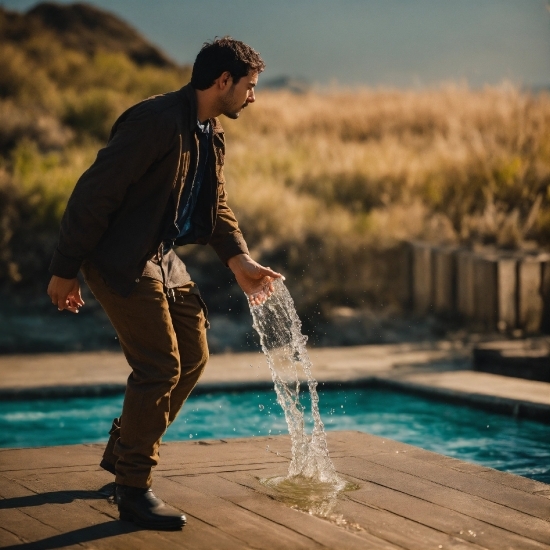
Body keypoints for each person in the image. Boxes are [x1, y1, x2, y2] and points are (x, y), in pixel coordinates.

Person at [46, 37, 282, 531]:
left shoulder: (209, 132)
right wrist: (65, 269)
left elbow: (214, 204)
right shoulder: (154, 122)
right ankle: (133, 488)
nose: (252, 97)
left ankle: (124, 450)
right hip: (118, 257)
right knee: (159, 366)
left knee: (193, 356)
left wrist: (239, 261)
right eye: (250, 87)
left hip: (159, 255)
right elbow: (93, 194)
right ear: (224, 82)